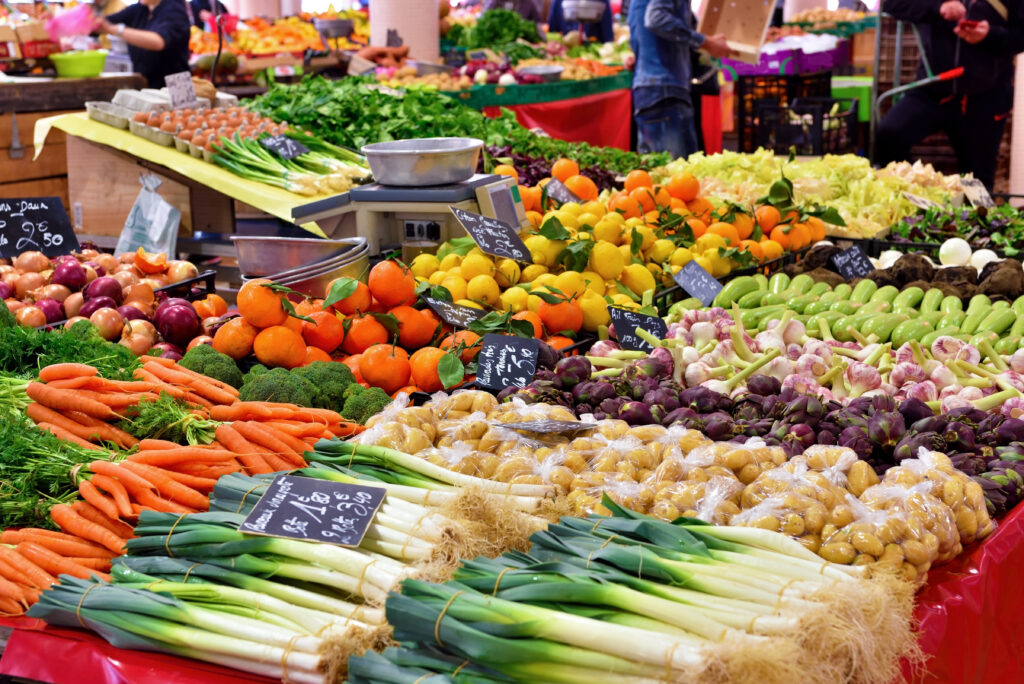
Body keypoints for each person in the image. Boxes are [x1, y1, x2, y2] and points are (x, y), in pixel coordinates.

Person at [874, 0, 1024, 189]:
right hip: (933, 89)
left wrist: (990, 35)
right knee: (889, 134)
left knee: (977, 185)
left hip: (986, 98)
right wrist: (939, 6)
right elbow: (890, 4)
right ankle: (918, 193)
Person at [629, 0, 731, 158]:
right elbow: (656, 18)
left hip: (651, 90)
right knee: (677, 176)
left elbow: (642, 27)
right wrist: (706, 42)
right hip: (666, 90)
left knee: (658, 175)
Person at [93, 0, 190, 88]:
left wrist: (115, 29)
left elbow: (158, 41)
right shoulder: (140, 9)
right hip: (146, 84)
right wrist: (86, 20)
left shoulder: (174, 10)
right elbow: (102, 23)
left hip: (175, 87)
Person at [548, 0, 615, 43]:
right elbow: (553, 33)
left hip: (592, 55)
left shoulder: (602, 2)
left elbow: (608, 38)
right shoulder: (558, 2)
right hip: (565, 54)